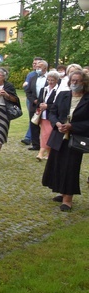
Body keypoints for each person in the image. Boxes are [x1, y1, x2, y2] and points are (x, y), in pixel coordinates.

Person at [42, 70, 89, 212]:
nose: (74, 83)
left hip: (76, 137)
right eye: (72, 80)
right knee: (57, 164)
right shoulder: (63, 95)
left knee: (71, 166)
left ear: (84, 83)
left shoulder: (87, 98)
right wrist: (57, 124)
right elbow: (53, 112)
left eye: (78, 81)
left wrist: (72, 126)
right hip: (59, 135)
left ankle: (68, 199)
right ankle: (61, 192)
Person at [36, 70, 61, 161]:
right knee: (44, 134)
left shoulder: (59, 90)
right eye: (48, 80)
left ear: (57, 80)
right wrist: (40, 105)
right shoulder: (44, 89)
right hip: (43, 115)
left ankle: (41, 152)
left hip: (53, 116)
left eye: (52, 80)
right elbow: (38, 101)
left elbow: (58, 104)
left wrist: (48, 106)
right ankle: (49, 154)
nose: (50, 82)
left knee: (48, 134)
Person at [25, 60, 49, 151]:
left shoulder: (49, 78)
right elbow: (28, 91)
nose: (37, 69)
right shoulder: (33, 78)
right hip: (34, 105)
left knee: (46, 125)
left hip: (46, 105)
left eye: (40, 67)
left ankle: (46, 145)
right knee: (33, 124)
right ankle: (36, 144)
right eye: (37, 67)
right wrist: (33, 100)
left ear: (45, 68)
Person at [21, 57, 44, 144]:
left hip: (42, 101)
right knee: (33, 118)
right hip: (31, 100)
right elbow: (26, 86)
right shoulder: (31, 74)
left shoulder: (46, 75)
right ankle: (30, 138)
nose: (35, 65)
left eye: (37, 63)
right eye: (33, 63)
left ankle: (33, 138)